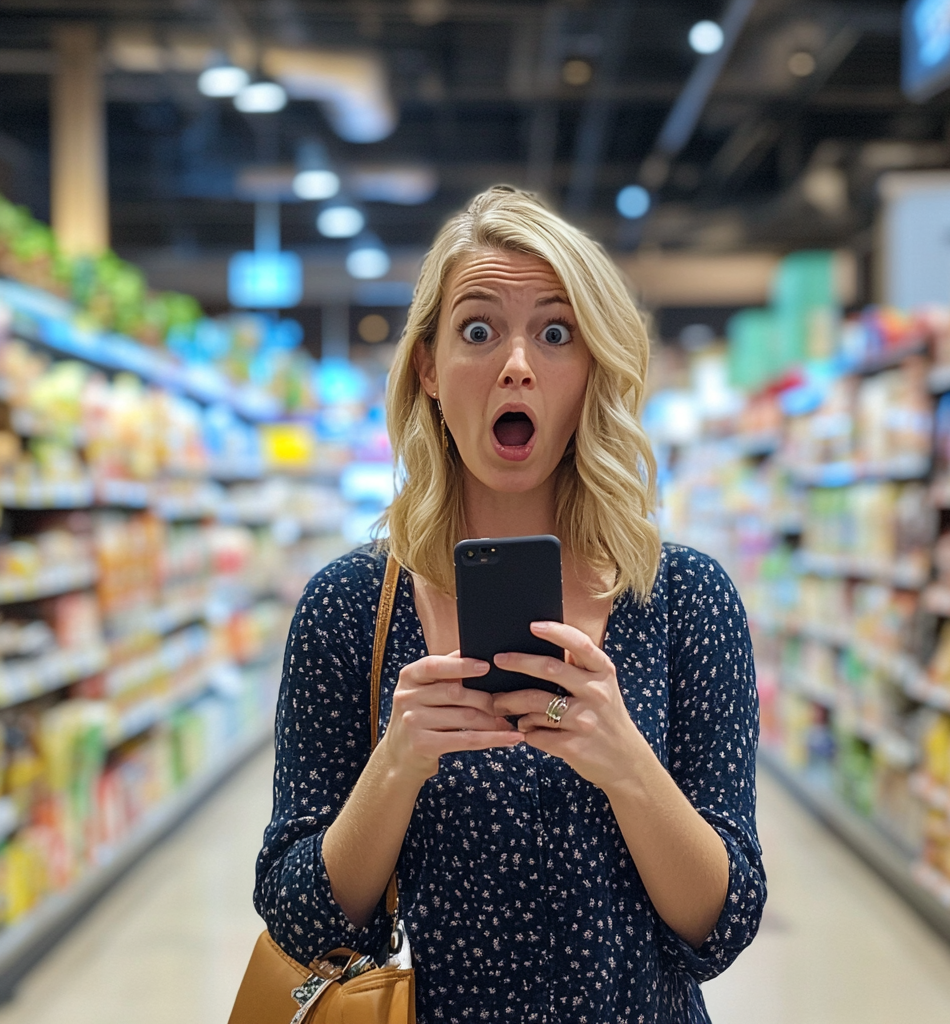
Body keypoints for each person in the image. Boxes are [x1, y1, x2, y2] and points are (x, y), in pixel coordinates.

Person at [254, 185, 766, 1023]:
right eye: (479, 329)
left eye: (556, 332)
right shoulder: (348, 608)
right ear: (427, 368)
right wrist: (398, 761)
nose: (517, 362)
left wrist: (626, 762)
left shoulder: (684, 600)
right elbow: (298, 918)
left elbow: (723, 926)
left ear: (591, 367)